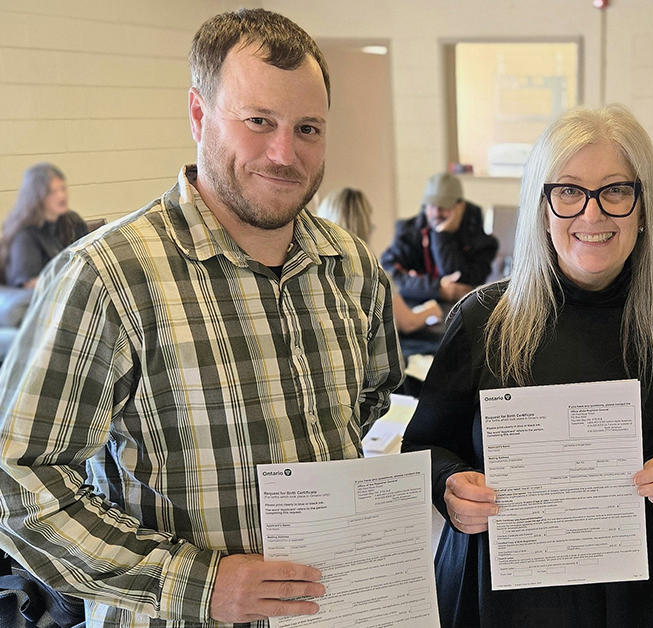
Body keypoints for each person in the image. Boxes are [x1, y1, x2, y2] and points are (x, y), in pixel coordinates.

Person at [0, 9, 403, 628]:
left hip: (333, 611)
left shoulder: (349, 264)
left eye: (308, 128)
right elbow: (17, 484)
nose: (284, 153)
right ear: (198, 114)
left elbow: (367, 402)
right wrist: (198, 583)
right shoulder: (108, 276)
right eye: (259, 121)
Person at [401, 104, 653, 628]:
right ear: (541, 207)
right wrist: (450, 486)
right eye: (568, 191)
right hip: (494, 596)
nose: (592, 215)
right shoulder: (484, 320)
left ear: (643, 207)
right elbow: (423, 446)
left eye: (616, 190)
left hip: (634, 602)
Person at [318, 187, 444, 333]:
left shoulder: (313, 273)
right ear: (364, 227)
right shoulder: (371, 274)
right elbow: (409, 323)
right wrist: (431, 309)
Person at [381, 172, 498, 306]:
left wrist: (442, 236)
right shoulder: (409, 233)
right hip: (414, 314)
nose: (436, 213)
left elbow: (461, 281)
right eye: (431, 206)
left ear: (461, 207)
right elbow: (389, 277)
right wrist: (438, 289)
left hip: (459, 316)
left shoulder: (482, 244)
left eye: (443, 207)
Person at [1, 163, 88, 289]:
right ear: (37, 196)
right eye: (52, 192)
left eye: (63, 188)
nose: (61, 196)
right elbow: (30, 284)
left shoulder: (73, 221)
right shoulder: (24, 234)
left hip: (75, 293)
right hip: (41, 302)